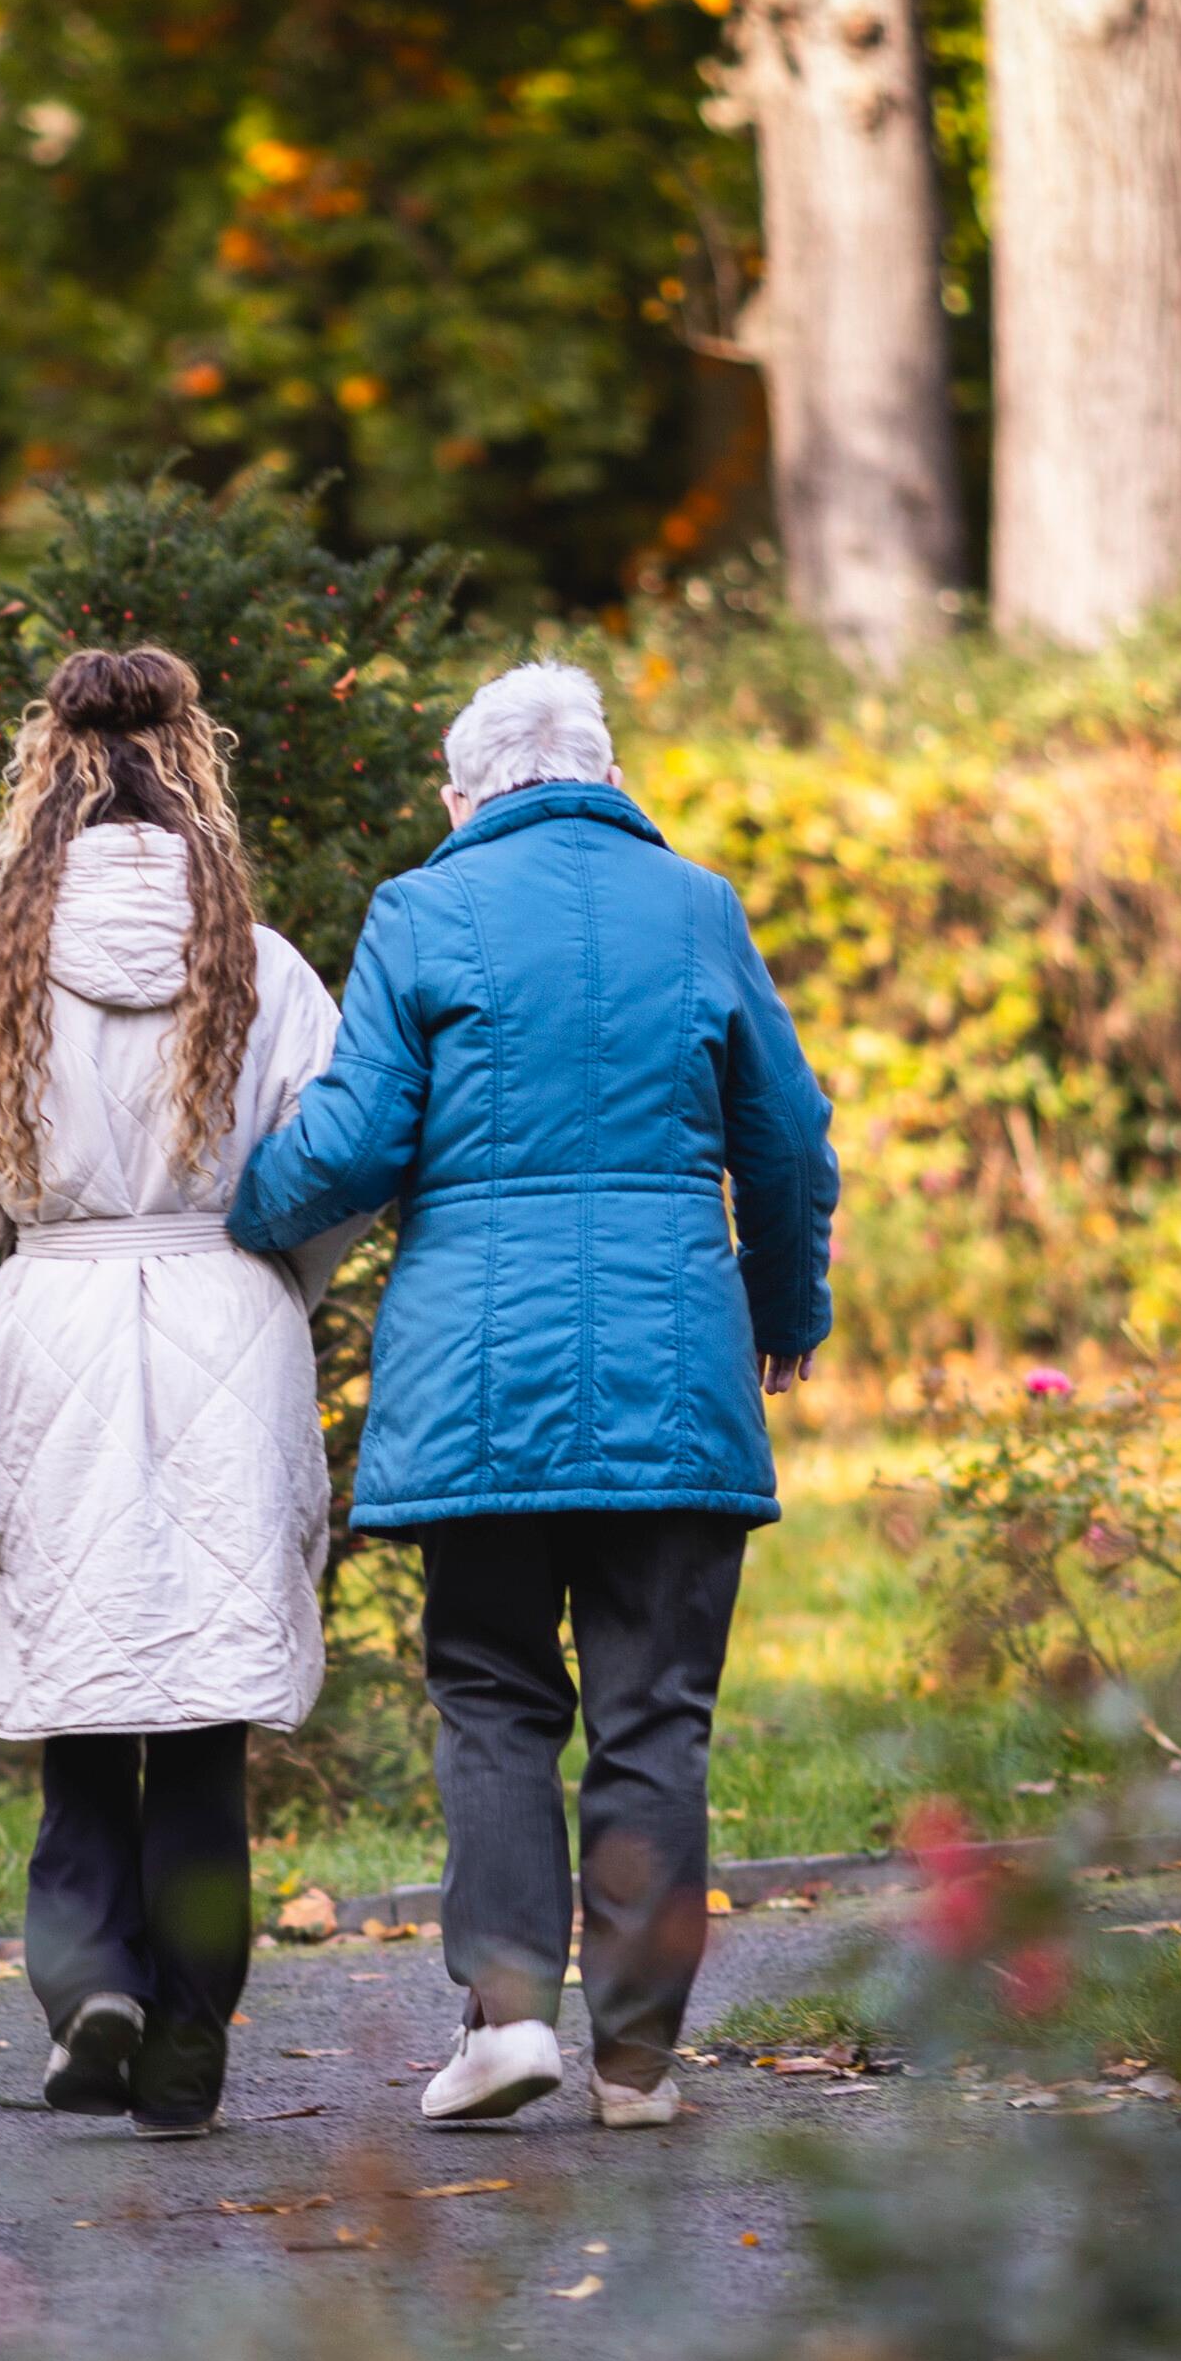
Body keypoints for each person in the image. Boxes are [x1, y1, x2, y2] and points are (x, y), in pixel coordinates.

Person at [226, 661, 837, 2129]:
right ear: (606, 774)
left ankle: (505, 2019)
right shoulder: (695, 905)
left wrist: (233, 1218)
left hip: (477, 1377)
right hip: (672, 1369)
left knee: (494, 1697)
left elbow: (357, 1141)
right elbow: (790, 1137)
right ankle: (634, 2062)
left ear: (463, 791)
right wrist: (783, 1307)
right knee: (655, 1717)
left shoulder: (422, 911)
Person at [0, 647, 364, 2140]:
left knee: (81, 1670)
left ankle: (88, 1976)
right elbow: (326, 1155)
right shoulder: (259, 960)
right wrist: (274, 1264)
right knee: (208, 1687)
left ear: (49, 772)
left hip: (63, 1312)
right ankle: (190, 2008)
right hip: (225, 1303)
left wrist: (41, 1224)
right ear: (190, 770)